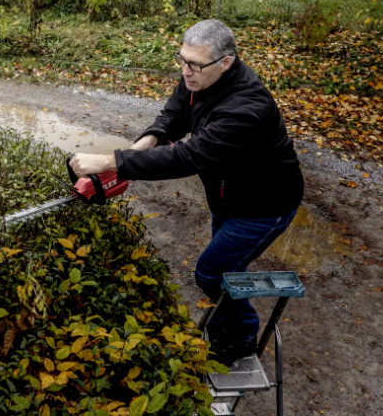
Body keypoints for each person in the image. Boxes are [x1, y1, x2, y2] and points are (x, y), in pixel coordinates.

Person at [69, 19, 303, 365]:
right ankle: (226, 324)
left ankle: (241, 337)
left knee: (210, 272)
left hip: (264, 206)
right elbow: (175, 115)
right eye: (181, 60)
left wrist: (112, 161)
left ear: (226, 62)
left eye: (194, 65)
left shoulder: (248, 107)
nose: (186, 71)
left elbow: (190, 156)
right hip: (226, 195)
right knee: (226, 271)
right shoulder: (199, 77)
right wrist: (146, 142)